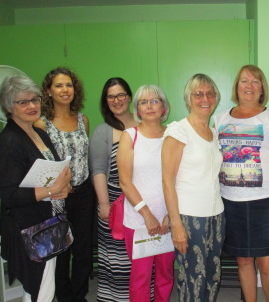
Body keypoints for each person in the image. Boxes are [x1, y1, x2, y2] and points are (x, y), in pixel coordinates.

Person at [214, 65, 269, 302]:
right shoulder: (219, 119)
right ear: (237, 86)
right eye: (244, 81)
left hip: (265, 202)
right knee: (244, 261)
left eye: (255, 81)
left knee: (267, 265)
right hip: (231, 203)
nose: (249, 86)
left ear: (262, 88)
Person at [0, 75, 71, 302]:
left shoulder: (38, 133)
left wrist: (64, 187)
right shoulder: (9, 141)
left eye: (35, 99)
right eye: (23, 102)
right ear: (10, 107)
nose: (32, 106)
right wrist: (52, 190)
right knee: (40, 288)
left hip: (49, 222)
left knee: (44, 285)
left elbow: (56, 169)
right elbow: (9, 195)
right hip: (30, 228)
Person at [162, 74, 225, 301]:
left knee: (213, 275)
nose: (205, 98)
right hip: (189, 217)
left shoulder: (213, 132)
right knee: (193, 277)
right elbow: (167, 181)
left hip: (216, 215)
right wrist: (176, 224)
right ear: (189, 98)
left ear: (216, 97)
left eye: (210, 93)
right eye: (198, 94)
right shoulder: (178, 131)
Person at [34, 67, 94, 302]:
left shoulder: (83, 119)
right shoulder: (41, 123)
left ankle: (79, 296)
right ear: (48, 91)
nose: (65, 90)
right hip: (57, 196)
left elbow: (83, 157)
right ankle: (65, 296)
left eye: (69, 85)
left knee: (83, 250)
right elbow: (42, 162)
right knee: (61, 250)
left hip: (84, 192)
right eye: (58, 85)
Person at [117, 84, 174, 301]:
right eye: (143, 102)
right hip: (139, 219)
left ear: (163, 107)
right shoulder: (129, 136)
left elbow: (179, 178)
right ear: (138, 109)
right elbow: (125, 181)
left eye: (154, 101)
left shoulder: (173, 135)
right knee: (140, 276)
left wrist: (170, 214)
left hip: (168, 218)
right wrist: (147, 215)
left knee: (166, 274)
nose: (149, 106)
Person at [89, 77, 137, 301]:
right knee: (119, 260)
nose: (116, 100)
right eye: (111, 96)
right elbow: (98, 170)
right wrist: (104, 204)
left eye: (120, 95)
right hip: (115, 203)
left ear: (129, 96)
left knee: (142, 256)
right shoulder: (103, 131)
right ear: (105, 101)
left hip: (144, 203)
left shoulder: (144, 123)